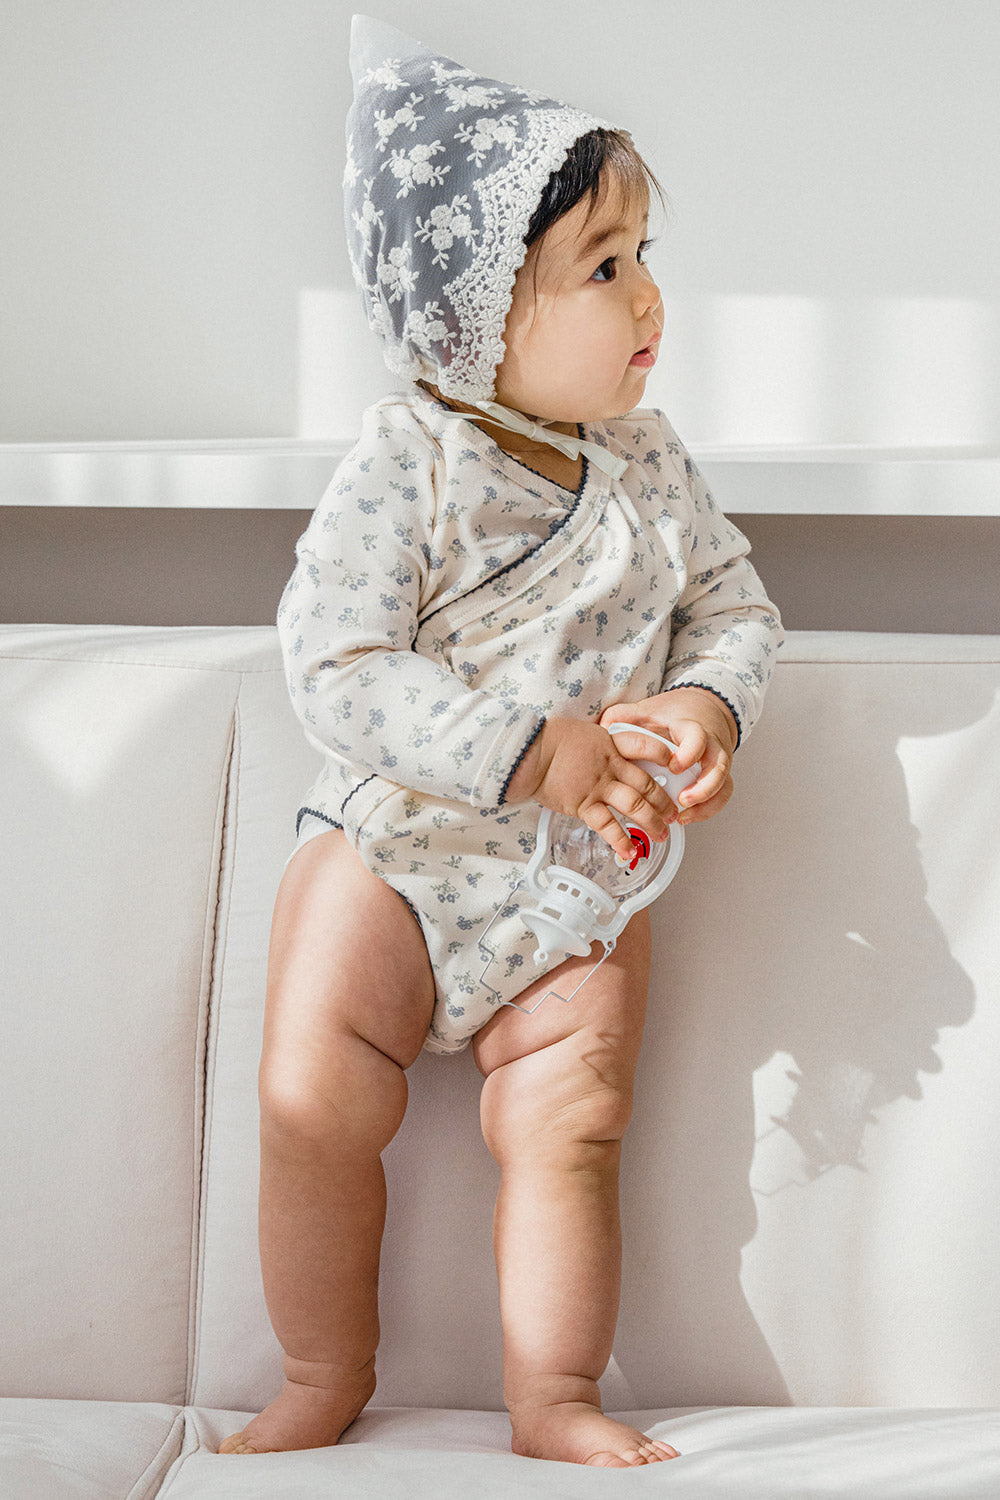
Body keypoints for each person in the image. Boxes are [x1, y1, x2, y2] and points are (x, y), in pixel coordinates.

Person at [220, 14, 782, 1468]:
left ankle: (556, 1396)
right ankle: (320, 1368)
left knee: (573, 1127)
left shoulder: (653, 465)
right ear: (468, 317)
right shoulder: (408, 462)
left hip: (576, 880)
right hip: (397, 854)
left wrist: (710, 706)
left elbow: (735, 607)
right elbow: (331, 661)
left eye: (648, 254)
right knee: (311, 1104)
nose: (649, 295)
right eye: (605, 266)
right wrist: (529, 746)